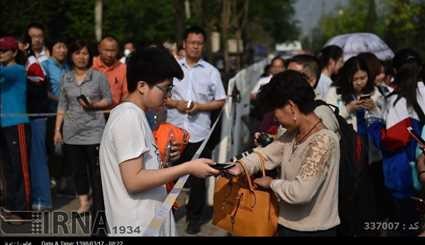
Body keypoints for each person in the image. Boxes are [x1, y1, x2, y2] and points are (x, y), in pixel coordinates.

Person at [99, 46, 219, 236]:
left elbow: (140, 171)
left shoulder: (137, 115)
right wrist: (188, 167)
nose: (169, 96)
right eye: (166, 88)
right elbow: (134, 181)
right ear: (141, 86)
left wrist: (164, 160)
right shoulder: (128, 118)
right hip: (138, 226)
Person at [228, 70, 341, 237]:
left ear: (291, 107)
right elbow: (265, 155)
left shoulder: (323, 141)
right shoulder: (293, 135)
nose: (276, 118)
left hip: (313, 231)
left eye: (275, 111)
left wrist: (271, 183)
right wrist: (239, 167)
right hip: (286, 225)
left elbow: (301, 192)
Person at [164, 26, 226, 234]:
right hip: (174, 132)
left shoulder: (211, 71)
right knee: (168, 175)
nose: (195, 47)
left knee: (199, 179)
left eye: (199, 43)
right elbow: (162, 96)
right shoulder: (172, 68)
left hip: (200, 133)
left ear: (203, 46)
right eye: (192, 43)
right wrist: (176, 104)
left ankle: (194, 218)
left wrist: (199, 107)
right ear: (184, 44)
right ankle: (167, 213)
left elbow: (220, 101)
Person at [54, 40, 112, 227]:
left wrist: (93, 105)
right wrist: (57, 129)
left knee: (96, 172)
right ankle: (84, 202)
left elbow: (108, 99)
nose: (81, 57)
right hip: (71, 132)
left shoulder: (98, 76)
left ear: (91, 56)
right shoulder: (66, 78)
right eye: (78, 53)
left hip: (95, 132)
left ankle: (100, 207)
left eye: (85, 53)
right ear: (71, 56)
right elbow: (62, 105)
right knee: (77, 171)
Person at [381, 49, 425, 236]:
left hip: (402, 177)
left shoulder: (391, 101)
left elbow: (390, 141)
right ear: (421, 68)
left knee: (406, 227)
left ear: (395, 70)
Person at [0, 36, 31, 214]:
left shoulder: (17, 70)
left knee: (20, 168)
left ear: (13, 52)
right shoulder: (5, 72)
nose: (0, 54)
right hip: (4, 125)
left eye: (3, 50)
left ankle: (23, 210)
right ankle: (12, 205)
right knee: (8, 168)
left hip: (17, 124)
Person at [41, 39, 71, 196]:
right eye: (59, 47)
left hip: (69, 115)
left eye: (64, 46)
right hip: (52, 113)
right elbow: (43, 91)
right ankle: (54, 179)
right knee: (55, 148)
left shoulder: (68, 66)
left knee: (67, 148)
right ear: (51, 49)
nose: (62, 50)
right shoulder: (45, 65)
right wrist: (60, 101)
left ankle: (64, 181)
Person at [93, 36, 128, 109]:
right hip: (91, 113)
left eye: (113, 51)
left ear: (118, 50)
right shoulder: (91, 65)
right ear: (99, 49)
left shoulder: (123, 68)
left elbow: (126, 95)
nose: (109, 54)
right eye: (106, 50)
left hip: (114, 112)